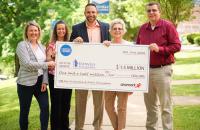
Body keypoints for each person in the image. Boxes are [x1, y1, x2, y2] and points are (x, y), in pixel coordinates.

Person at [136, 2, 181, 130]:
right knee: (150, 107)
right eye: (149, 11)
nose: (151, 13)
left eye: (154, 10)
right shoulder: (143, 28)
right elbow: (138, 47)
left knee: (165, 106)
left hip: (163, 70)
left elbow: (177, 46)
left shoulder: (168, 26)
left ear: (159, 12)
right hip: (146, 71)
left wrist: (159, 49)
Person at [70, 3, 110, 130]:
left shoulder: (105, 27)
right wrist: (74, 42)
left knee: (99, 103)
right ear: (84, 13)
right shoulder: (76, 28)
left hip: (99, 71)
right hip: (82, 71)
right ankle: (79, 127)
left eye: (93, 12)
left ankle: (98, 127)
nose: (91, 15)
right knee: (80, 102)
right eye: (88, 12)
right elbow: (70, 48)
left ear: (97, 13)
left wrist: (109, 43)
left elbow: (112, 48)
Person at [16, 21, 55, 130]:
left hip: (40, 82)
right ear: (27, 32)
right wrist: (47, 64)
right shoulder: (22, 45)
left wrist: (45, 81)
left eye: (36, 30)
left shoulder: (42, 47)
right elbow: (27, 64)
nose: (34, 32)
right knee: (25, 111)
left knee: (45, 107)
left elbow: (45, 67)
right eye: (31, 30)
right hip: (25, 84)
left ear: (39, 32)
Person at [103, 19, 131, 130]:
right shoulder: (107, 45)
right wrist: (104, 46)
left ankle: (120, 129)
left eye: (120, 29)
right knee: (108, 107)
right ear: (110, 31)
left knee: (122, 108)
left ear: (124, 31)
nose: (117, 30)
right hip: (109, 82)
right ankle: (117, 128)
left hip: (123, 82)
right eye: (115, 29)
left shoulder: (129, 46)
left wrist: (131, 85)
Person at [46, 20, 72, 130]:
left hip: (68, 78)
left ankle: (65, 127)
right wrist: (52, 56)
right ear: (55, 31)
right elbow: (48, 62)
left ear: (66, 30)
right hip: (55, 78)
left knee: (66, 104)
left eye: (63, 28)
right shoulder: (51, 45)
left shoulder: (71, 44)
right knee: (56, 105)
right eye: (59, 29)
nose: (61, 30)